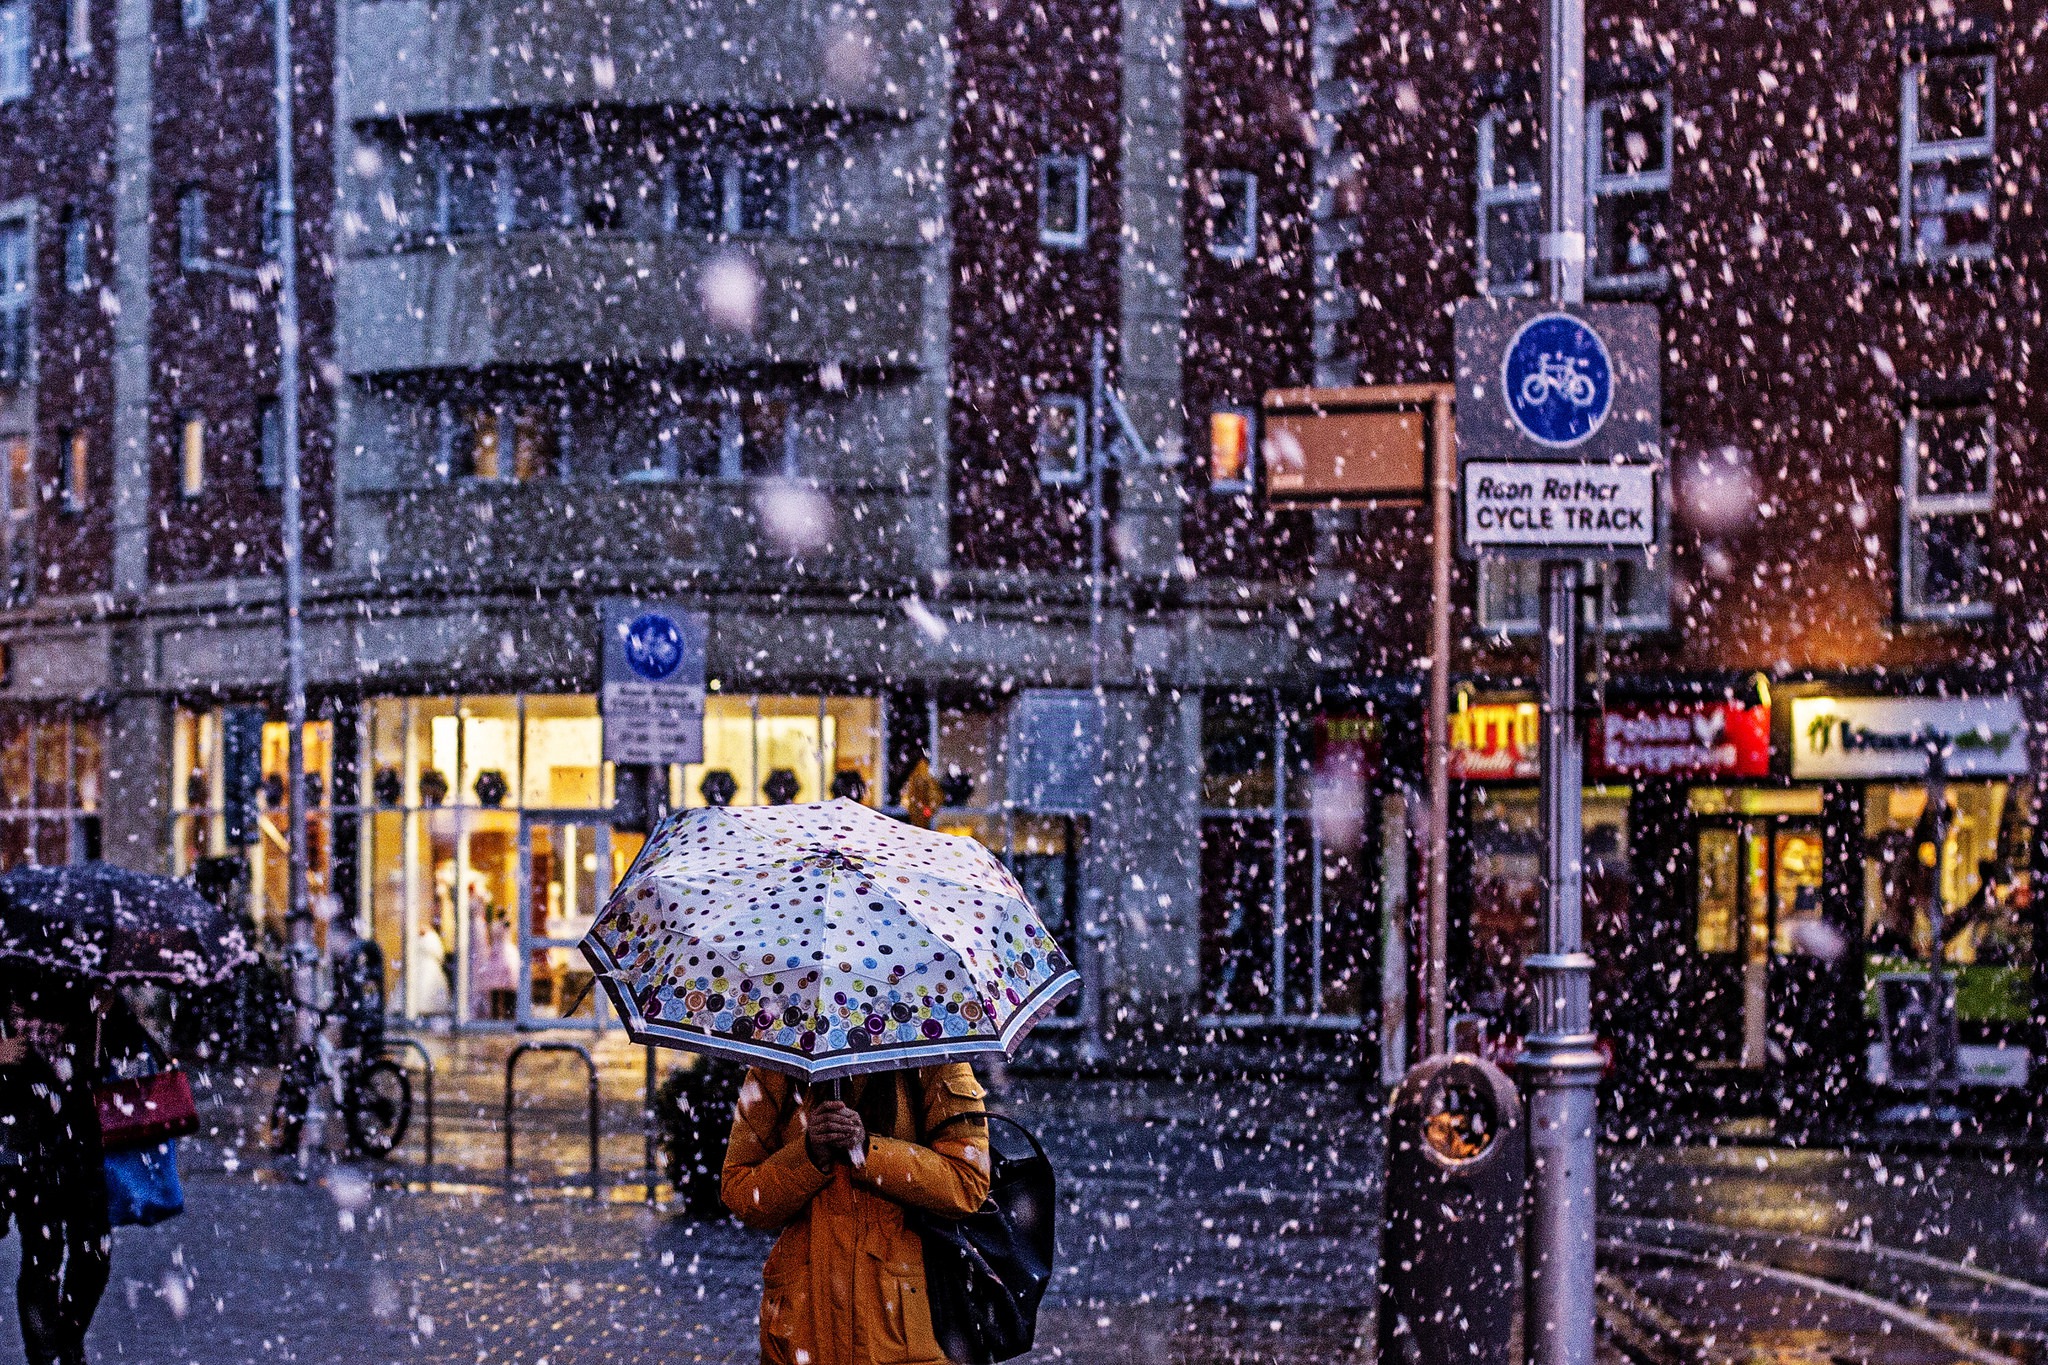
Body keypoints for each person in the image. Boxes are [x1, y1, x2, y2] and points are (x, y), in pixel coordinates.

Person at [724, 1064, 991, 1365]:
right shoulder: (779, 1063)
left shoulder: (933, 1051)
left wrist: (868, 1150)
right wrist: (809, 1154)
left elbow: (967, 1184)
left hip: (904, 1325)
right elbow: (741, 1193)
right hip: (802, 1324)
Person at [0, 974, 116, 1365]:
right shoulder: (9, 960)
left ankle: (64, 1341)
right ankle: (48, 1356)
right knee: (42, 1255)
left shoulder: (84, 965)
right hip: (26, 1135)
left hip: (80, 1134)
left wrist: (105, 1013)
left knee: (96, 1255)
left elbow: (114, 1054)